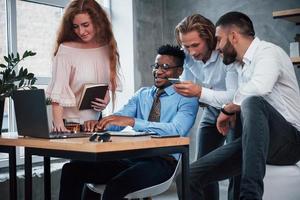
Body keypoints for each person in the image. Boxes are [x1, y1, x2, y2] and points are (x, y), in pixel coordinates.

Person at [58, 44, 199, 200]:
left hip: (162, 161)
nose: (158, 71)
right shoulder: (142, 94)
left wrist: (133, 122)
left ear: (179, 71)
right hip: (132, 157)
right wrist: (101, 123)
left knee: (117, 185)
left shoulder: (187, 98)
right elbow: (119, 118)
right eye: (156, 66)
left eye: (165, 67)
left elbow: (177, 130)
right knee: (72, 169)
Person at [189, 11, 300, 200]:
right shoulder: (239, 67)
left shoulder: (268, 52)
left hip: (291, 141)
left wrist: (228, 108)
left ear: (233, 36)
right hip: (258, 139)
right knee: (190, 177)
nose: (216, 47)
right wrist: (232, 106)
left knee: (251, 101)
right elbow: (238, 94)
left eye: (219, 40)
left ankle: (250, 195)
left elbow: (259, 87)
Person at [174, 14, 240, 200]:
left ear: (209, 38)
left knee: (235, 166)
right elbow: (187, 82)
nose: (191, 52)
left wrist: (199, 92)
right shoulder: (187, 54)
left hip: (235, 111)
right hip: (211, 109)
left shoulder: (225, 54)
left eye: (196, 45)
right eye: (186, 46)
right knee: (203, 165)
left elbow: (233, 95)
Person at [46, 0, 121, 132]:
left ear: (98, 22)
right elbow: (57, 96)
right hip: (68, 126)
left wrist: (105, 99)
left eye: (85, 25)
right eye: (76, 26)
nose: (81, 31)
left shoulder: (107, 48)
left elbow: (106, 86)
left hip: (94, 125)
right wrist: (58, 125)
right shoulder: (66, 50)